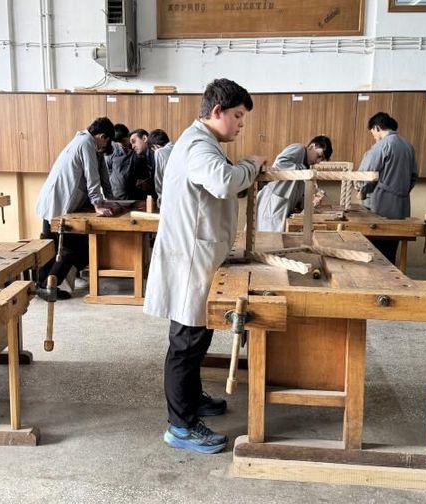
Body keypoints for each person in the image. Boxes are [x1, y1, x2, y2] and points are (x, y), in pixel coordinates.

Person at [144, 78, 265, 454]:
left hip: (198, 256)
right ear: (217, 112)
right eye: (238, 116)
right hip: (190, 260)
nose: (241, 124)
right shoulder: (198, 145)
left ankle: (192, 402)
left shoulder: (201, 142)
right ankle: (180, 427)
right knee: (186, 342)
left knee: (197, 337)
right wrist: (251, 164)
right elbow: (223, 181)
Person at [35, 117, 116, 300]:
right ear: (102, 136)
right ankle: (48, 287)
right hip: (57, 204)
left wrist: (111, 200)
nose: (105, 148)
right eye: (106, 142)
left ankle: (43, 285)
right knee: (68, 248)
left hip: (55, 202)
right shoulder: (86, 143)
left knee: (53, 245)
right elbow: (91, 176)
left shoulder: (85, 141)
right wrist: (97, 203)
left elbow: (102, 174)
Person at [358, 112, 418, 263]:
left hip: (381, 205)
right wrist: (402, 191)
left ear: (377, 128)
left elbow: (366, 174)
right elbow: (414, 176)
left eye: (372, 132)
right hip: (402, 205)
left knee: (376, 251)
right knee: (391, 249)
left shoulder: (382, 145)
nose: (373, 136)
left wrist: (362, 190)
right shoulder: (408, 146)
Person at [255, 136, 333, 232]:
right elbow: (279, 164)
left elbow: (298, 192)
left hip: (281, 205)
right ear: (312, 146)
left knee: (277, 239)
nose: (318, 161)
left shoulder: (306, 166)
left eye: (321, 159)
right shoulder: (299, 149)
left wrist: (310, 202)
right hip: (272, 202)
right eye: (319, 156)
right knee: (268, 239)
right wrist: (303, 170)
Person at [148, 129, 174, 207]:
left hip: (168, 198)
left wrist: (159, 199)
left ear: (155, 146)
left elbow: (158, 179)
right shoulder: (178, 147)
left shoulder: (159, 152)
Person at [129, 128, 156, 199]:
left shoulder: (156, 153)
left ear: (144, 138)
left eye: (134, 141)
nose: (132, 147)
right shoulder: (143, 157)